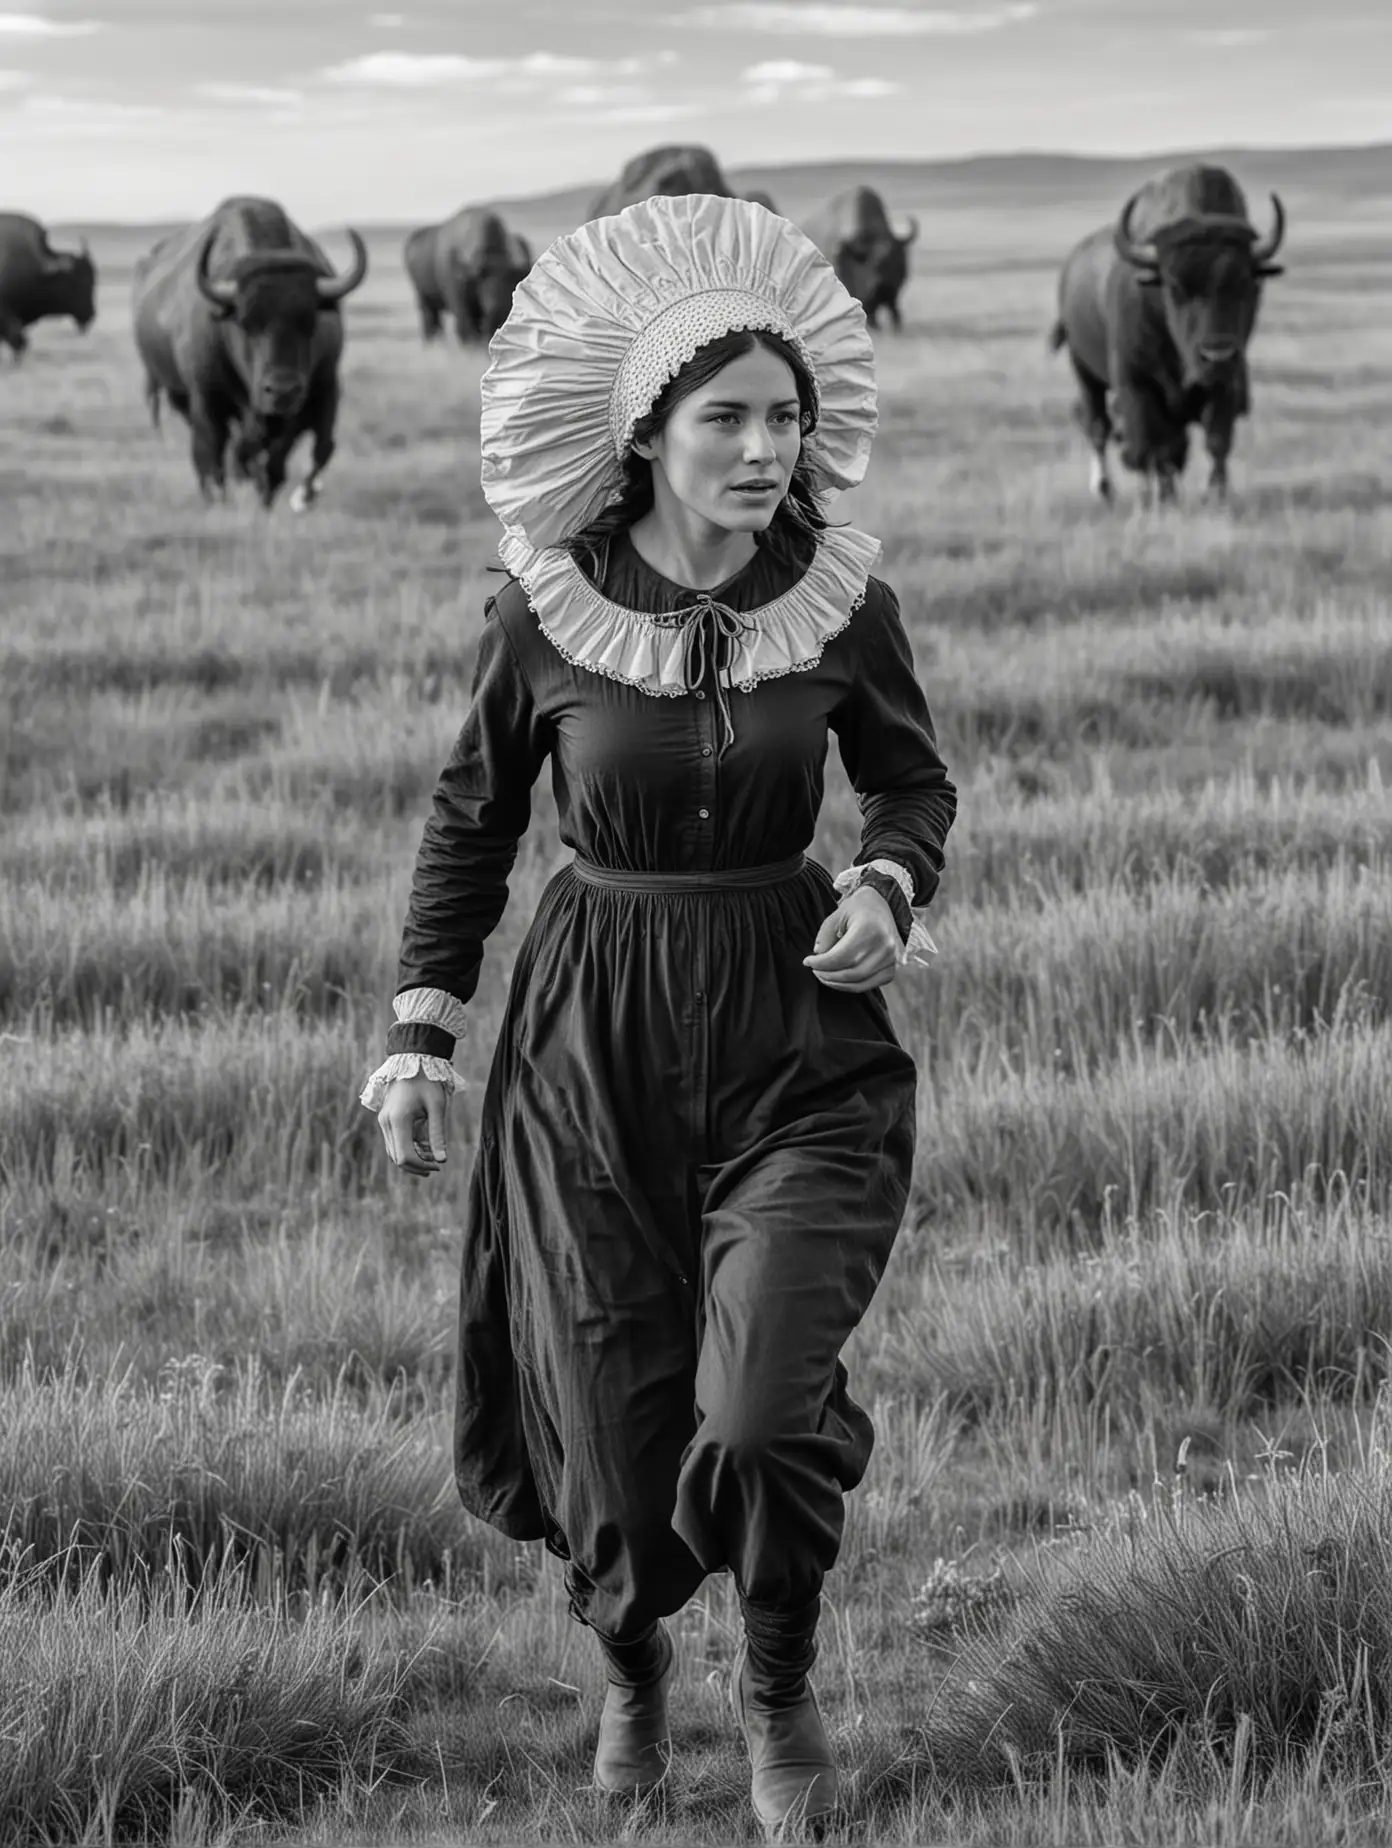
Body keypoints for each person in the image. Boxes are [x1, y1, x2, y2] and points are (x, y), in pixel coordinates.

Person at [361, 192, 957, 1835]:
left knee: (760, 1403)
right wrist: (421, 1032)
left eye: (788, 417)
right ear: (648, 430)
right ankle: (629, 1661)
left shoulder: (839, 600)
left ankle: (776, 1679)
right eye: (729, 419)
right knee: (614, 1424)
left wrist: (886, 885)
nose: (768, 448)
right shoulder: (546, 609)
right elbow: (470, 825)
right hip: (589, 1043)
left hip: (797, 1039)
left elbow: (911, 781)